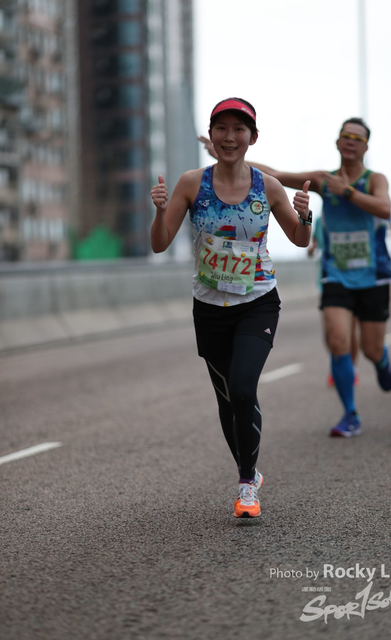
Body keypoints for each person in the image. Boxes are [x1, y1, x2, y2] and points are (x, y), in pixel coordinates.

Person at [151, 98, 311, 518]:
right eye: (221, 128)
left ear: (252, 138)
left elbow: (299, 240)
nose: (229, 136)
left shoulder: (267, 186)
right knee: (227, 400)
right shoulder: (192, 183)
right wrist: (159, 212)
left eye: (239, 129)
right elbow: (160, 243)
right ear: (212, 135)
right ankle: (250, 472)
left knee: (242, 388)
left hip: (257, 301)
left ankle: (245, 485)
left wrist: (305, 216)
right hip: (209, 307)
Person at [200, 116, 391, 438]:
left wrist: (346, 191)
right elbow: (275, 175)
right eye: (345, 135)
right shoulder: (323, 180)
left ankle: (381, 360)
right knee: (338, 341)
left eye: (357, 138)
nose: (350, 141)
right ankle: (350, 414)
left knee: (372, 349)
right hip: (336, 274)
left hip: (373, 276)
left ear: (365, 147)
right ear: (337, 142)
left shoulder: (374, 180)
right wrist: (228, 156)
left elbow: (385, 208)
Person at [307, 214, 360, 388]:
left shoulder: (353, 214)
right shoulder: (320, 220)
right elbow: (315, 242)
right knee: (330, 332)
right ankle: (337, 366)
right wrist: (311, 249)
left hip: (352, 280)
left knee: (349, 330)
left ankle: (351, 369)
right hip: (327, 279)